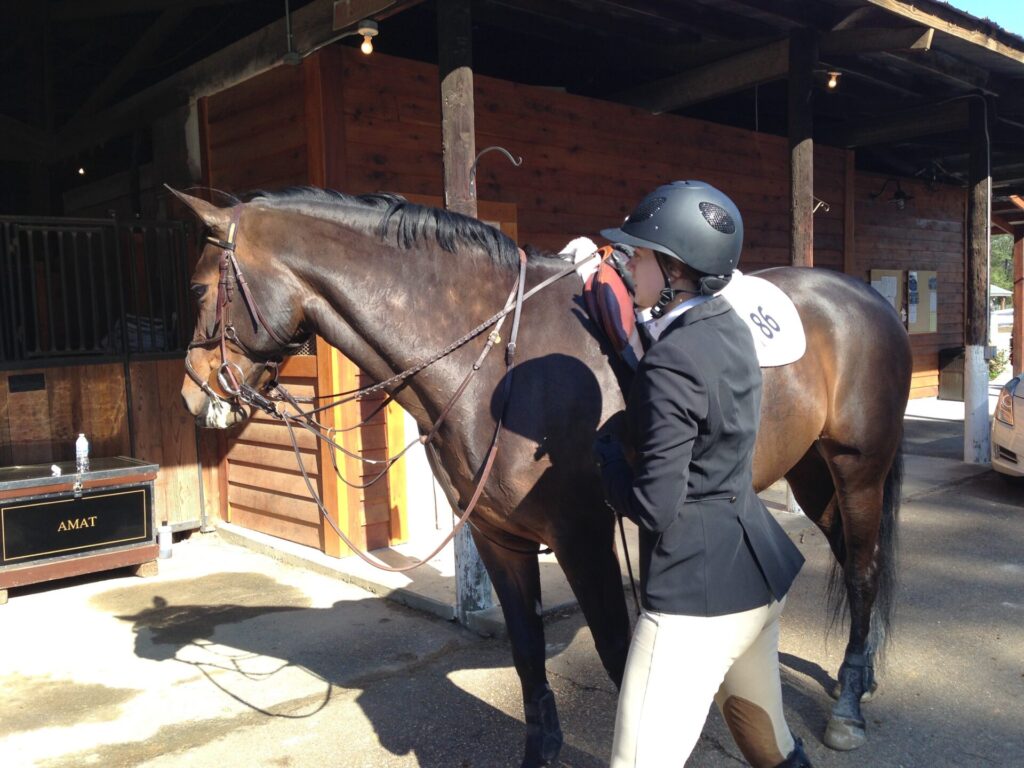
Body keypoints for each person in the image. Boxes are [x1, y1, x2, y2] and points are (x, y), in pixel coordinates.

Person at [594, 181, 810, 768]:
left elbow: (655, 507)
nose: (627, 264)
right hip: (756, 579)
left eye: (637, 256)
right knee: (773, 748)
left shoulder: (672, 359)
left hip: (696, 604)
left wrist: (608, 458)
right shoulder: (726, 324)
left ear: (674, 269)